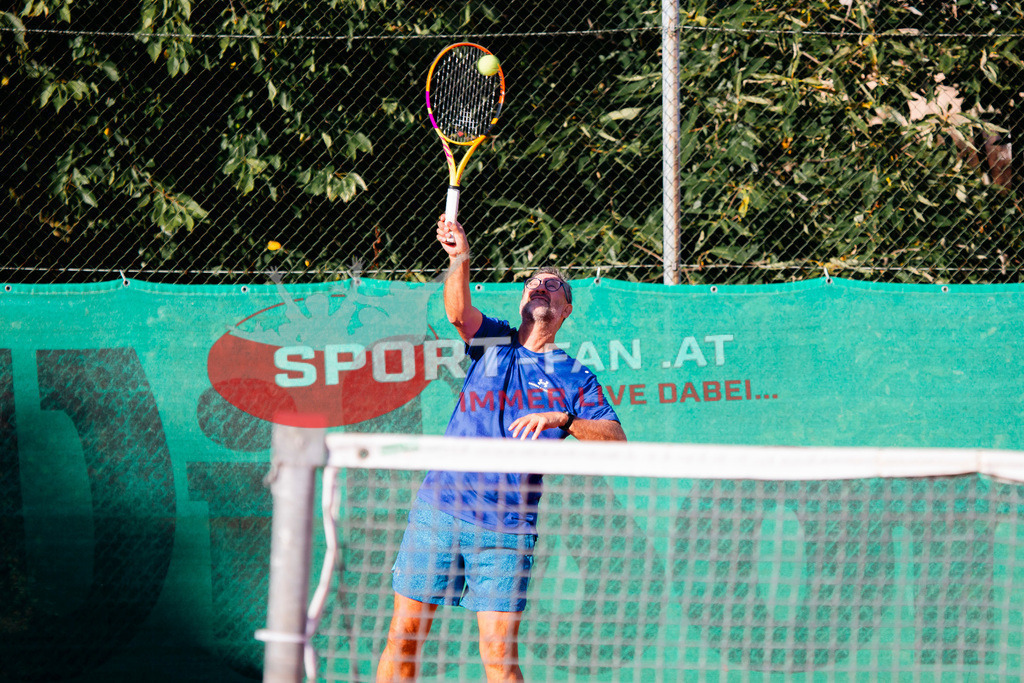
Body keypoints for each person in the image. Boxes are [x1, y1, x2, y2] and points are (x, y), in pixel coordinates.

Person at [375, 215, 627, 683]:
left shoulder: (576, 376)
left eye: (552, 286)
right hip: (440, 509)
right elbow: (456, 312)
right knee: (404, 636)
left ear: (565, 310)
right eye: (533, 283)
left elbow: (617, 441)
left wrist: (566, 420)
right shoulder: (494, 341)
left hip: (507, 532)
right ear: (521, 299)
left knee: (498, 657)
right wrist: (460, 258)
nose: (541, 287)